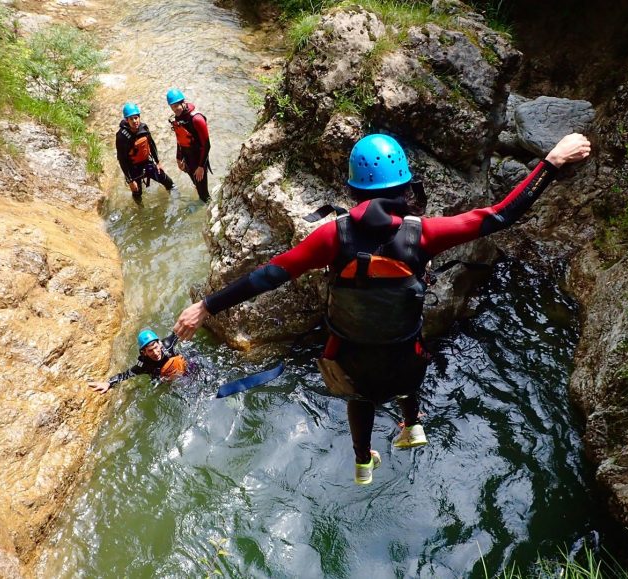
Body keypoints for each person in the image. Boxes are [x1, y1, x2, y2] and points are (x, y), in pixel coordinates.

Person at [173, 132, 591, 485]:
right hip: (405, 352)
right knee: (409, 376)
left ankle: (362, 463)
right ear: (406, 190)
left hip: (349, 354)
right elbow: (500, 215)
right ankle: (411, 427)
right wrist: (551, 161)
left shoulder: (331, 238)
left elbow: (269, 275)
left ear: (353, 190)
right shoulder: (424, 234)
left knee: (360, 395)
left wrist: (206, 306)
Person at [88, 328, 188, 394]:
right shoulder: (144, 365)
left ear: (160, 344)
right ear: (144, 353)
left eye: (156, 347)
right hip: (161, 378)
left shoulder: (167, 344)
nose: (155, 352)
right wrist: (108, 383)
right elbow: (125, 374)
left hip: (181, 366)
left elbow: (182, 329)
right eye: (150, 350)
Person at [116, 102, 174, 203]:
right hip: (133, 168)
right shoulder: (121, 137)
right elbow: (122, 160)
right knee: (137, 192)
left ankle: (175, 199)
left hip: (147, 163)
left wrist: (158, 162)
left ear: (139, 117)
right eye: (131, 119)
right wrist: (130, 181)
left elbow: (151, 144)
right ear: (126, 120)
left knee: (168, 182)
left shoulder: (144, 128)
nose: (134, 121)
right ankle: (140, 209)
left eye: (136, 117)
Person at [166, 88, 212, 203]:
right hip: (188, 159)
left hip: (199, 159)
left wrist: (201, 167)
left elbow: (207, 145)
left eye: (177, 105)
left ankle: (208, 211)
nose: (175, 109)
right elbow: (180, 138)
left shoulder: (197, 119)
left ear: (183, 102)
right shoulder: (178, 117)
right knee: (196, 185)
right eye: (172, 106)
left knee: (204, 195)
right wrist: (178, 158)